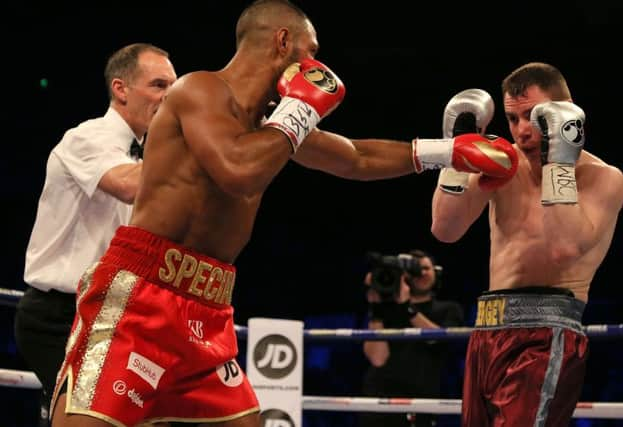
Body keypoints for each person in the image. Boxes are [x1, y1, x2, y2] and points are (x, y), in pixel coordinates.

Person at [49, 2, 518, 426]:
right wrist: (297, 110)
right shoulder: (200, 91)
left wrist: (451, 152)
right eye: (310, 52)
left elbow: (353, 156)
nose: (315, 67)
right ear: (282, 42)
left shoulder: (270, 123)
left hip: (207, 309)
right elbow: (238, 170)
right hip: (142, 298)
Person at [430, 64, 623, 426]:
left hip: (546, 334)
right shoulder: (502, 164)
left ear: (566, 113)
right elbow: (445, 229)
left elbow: (563, 248)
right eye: (512, 118)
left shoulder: (603, 178)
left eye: (534, 117)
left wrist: (559, 161)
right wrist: (455, 152)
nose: (521, 131)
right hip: (486, 331)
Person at [14, 42, 176, 426]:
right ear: (121, 89)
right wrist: (189, 149)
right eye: (158, 85)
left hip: (113, 315)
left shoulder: (144, 153)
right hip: (59, 316)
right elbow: (125, 184)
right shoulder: (87, 138)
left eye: (173, 87)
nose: (169, 97)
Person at [360, 250, 464, 427]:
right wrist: (376, 308)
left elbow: (438, 340)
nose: (421, 273)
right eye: (415, 270)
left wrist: (407, 307)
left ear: (436, 272)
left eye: (425, 268)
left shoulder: (448, 309)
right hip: (379, 401)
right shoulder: (385, 310)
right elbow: (377, 359)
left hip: (420, 402)